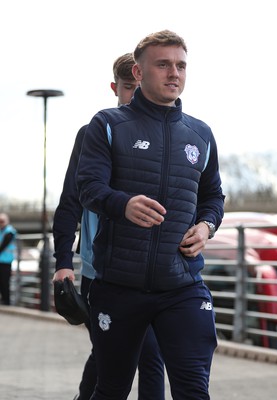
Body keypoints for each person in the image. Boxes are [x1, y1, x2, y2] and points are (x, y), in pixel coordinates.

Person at [77, 29, 225, 400]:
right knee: (110, 389)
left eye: (180, 66)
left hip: (182, 286)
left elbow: (213, 197)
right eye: (163, 64)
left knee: (193, 389)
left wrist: (207, 226)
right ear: (139, 73)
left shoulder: (201, 134)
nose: (174, 73)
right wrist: (122, 204)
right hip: (119, 287)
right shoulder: (107, 124)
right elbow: (88, 188)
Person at [52, 53, 165, 400]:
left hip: (151, 269)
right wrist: (62, 264)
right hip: (100, 270)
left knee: (122, 355)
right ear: (116, 87)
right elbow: (70, 201)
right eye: (128, 88)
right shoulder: (94, 132)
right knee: (132, 355)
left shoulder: (167, 133)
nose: (134, 95)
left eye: (138, 87)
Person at [0, 213, 17, 305]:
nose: (1, 223)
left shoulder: (10, 231)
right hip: (1, 260)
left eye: (2, 221)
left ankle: (6, 301)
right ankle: (3, 299)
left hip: (6, 261)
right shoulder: (1, 231)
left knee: (5, 281)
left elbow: (3, 245)